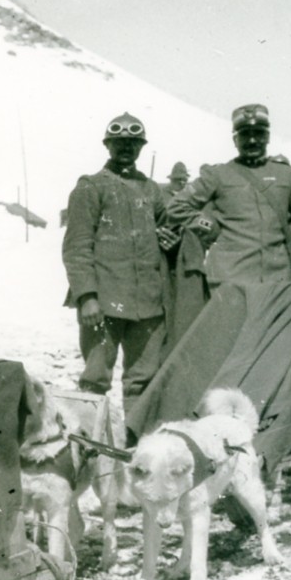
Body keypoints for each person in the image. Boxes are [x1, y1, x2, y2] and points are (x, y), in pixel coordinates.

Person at [61, 112, 178, 416]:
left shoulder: (152, 190)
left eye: (133, 143)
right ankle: (90, 440)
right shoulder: (91, 187)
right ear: (107, 145)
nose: (126, 147)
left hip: (148, 305)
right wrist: (86, 296)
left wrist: (171, 238)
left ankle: (136, 442)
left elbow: (168, 230)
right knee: (95, 380)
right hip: (104, 303)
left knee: (143, 382)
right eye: (119, 142)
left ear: (141, 147)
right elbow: (76, 247)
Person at [166, 103, 291, 287]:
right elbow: (176, 207)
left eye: (259, 134)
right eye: (245, 135)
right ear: (235, 140)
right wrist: (209, 226)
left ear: (268, 137)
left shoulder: (287, 174)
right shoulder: (218, 174)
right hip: (231, 277)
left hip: (277, 276)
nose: (252, 141)